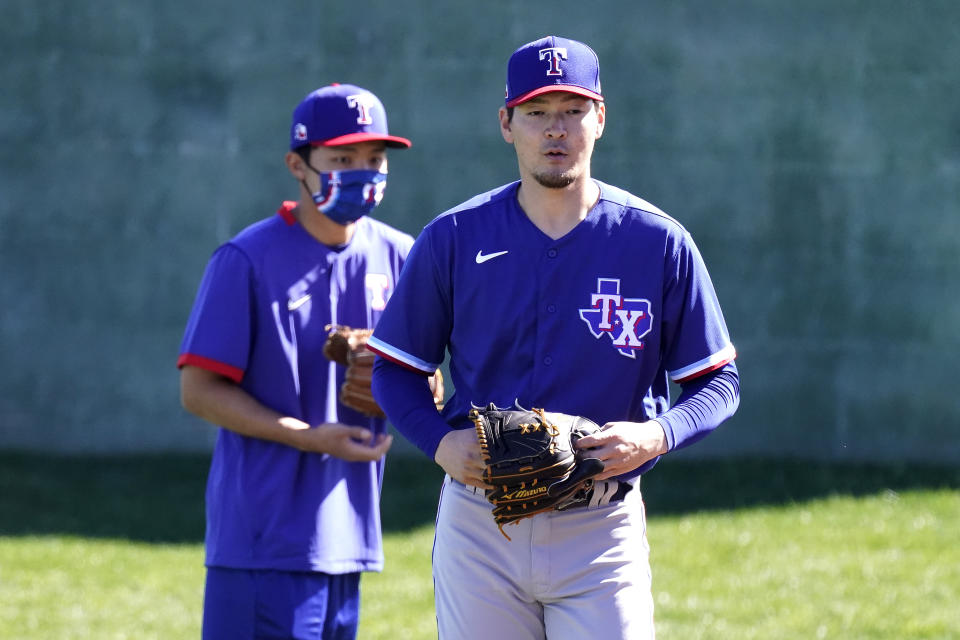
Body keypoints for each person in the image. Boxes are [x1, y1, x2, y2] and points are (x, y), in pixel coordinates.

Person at [367, 36, 740, 639]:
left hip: (600, 525)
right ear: (506, 124)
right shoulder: (454, 238)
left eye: (571, 110)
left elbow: (718, 381)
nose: (555, 129)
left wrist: (657, 433)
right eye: (537, 112)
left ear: (601, 119)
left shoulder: (657, 242)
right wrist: (439, 443)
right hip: (481, 520)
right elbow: (394, 368)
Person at [177, 83, 413, 640]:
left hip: (351, 536)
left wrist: (418, 393)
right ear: (297, 164)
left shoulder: (400, 255)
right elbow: (199, 389)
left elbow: (423, 380)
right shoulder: (246, 259)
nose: (363, 172)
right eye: (342, 159)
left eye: (374, 159)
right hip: (264, 538)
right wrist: (308, 435)